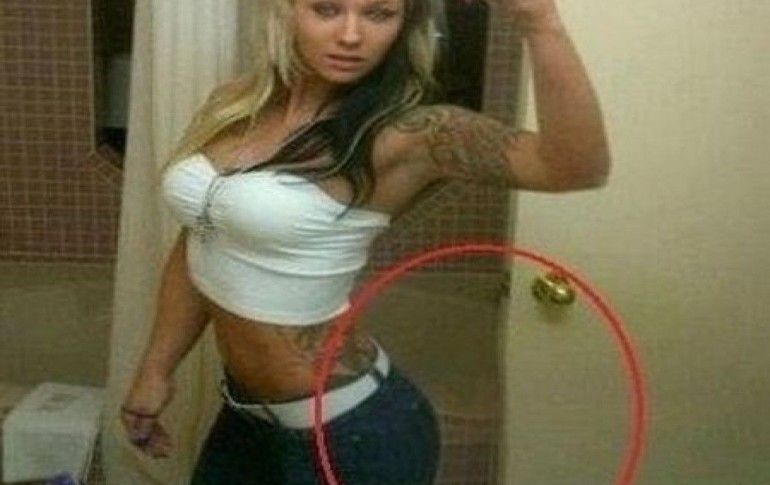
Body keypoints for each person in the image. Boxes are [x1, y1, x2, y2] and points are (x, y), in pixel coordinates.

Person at [119, 0, 611, 483]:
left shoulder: (410, 135)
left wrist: (540, 22)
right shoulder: (236, 105)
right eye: (327, 9)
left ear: (404, 23)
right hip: (245, 419)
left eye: (379, 14)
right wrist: (156, 370)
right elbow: (202, 237)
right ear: (287, 11)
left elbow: (575, 167)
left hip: (353, 433)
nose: (351, 35)